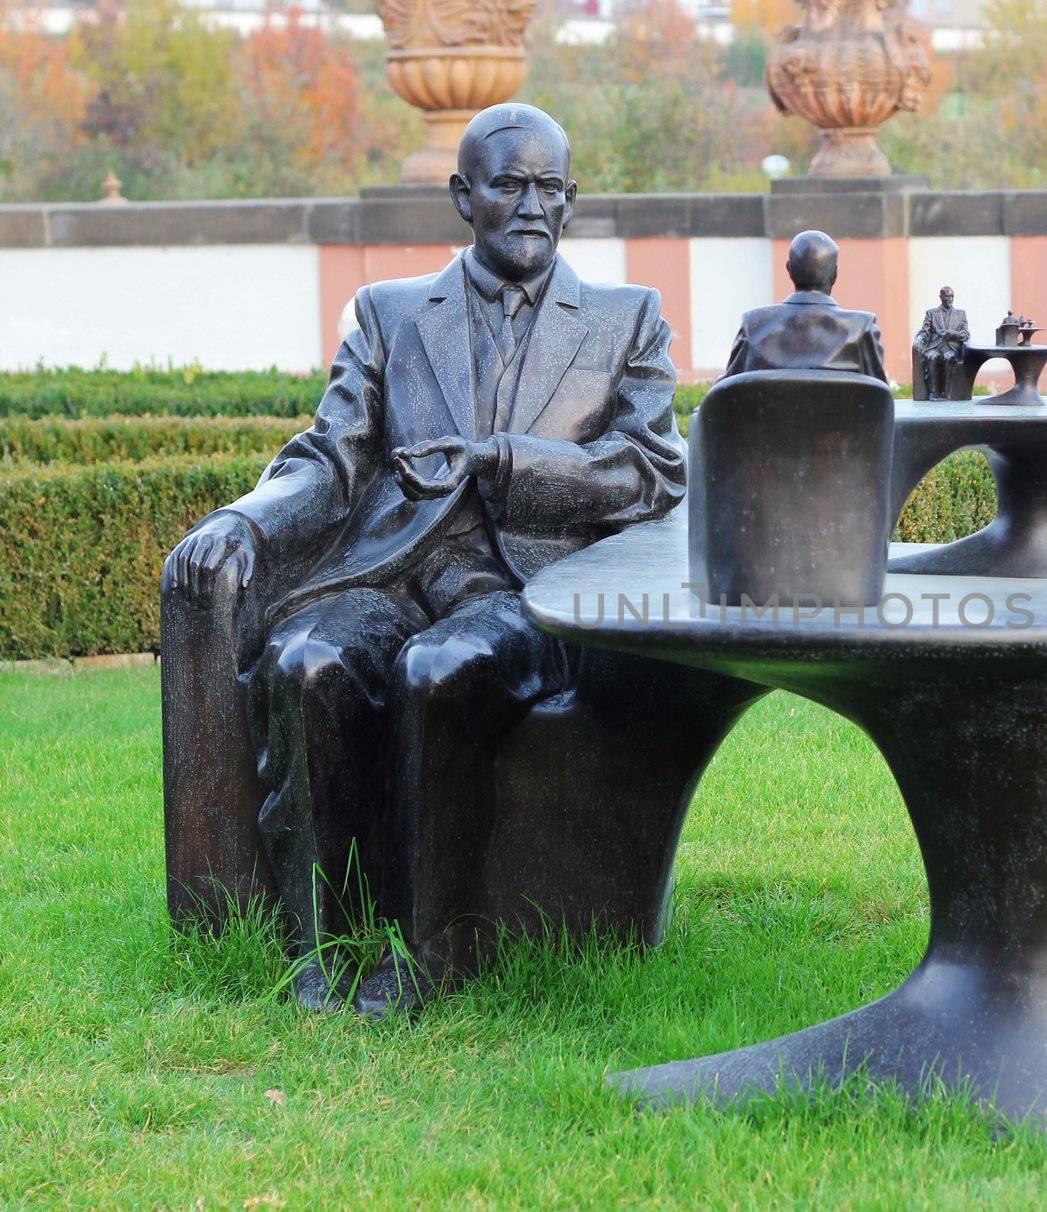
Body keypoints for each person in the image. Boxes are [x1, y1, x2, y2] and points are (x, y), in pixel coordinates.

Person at [161, 104, 684, 1018]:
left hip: (532, 583)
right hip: (394, 572)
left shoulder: (623, 320)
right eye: (509, 185)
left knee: (440, 669)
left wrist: (505, 460)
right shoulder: (391, 313)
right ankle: (324, 943)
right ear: (463, 196)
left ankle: (436, 947)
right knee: (307, 660)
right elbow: (329, 457)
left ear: (572, 201)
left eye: (549, 188)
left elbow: (649, 473)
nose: (531, 205)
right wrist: (246, 522)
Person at [723, 230, 888, 380]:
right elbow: (880, 399)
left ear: (789, 270)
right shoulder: (861, 328)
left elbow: (723, 395)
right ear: (835, 274)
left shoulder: (753, 325)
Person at [913, 286, 970, 399]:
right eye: (947, 296)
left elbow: (966, 334)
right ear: (941, 297)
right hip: (935, 346)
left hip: (951, 347)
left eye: (952, 296)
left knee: (949, 357)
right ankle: (933, 393)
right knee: (931, 356)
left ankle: (945, 393)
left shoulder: (961, 314)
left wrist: (951, 333)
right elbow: (925, 331)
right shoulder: (931, 313)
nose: (950, 299)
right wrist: (919, 339)